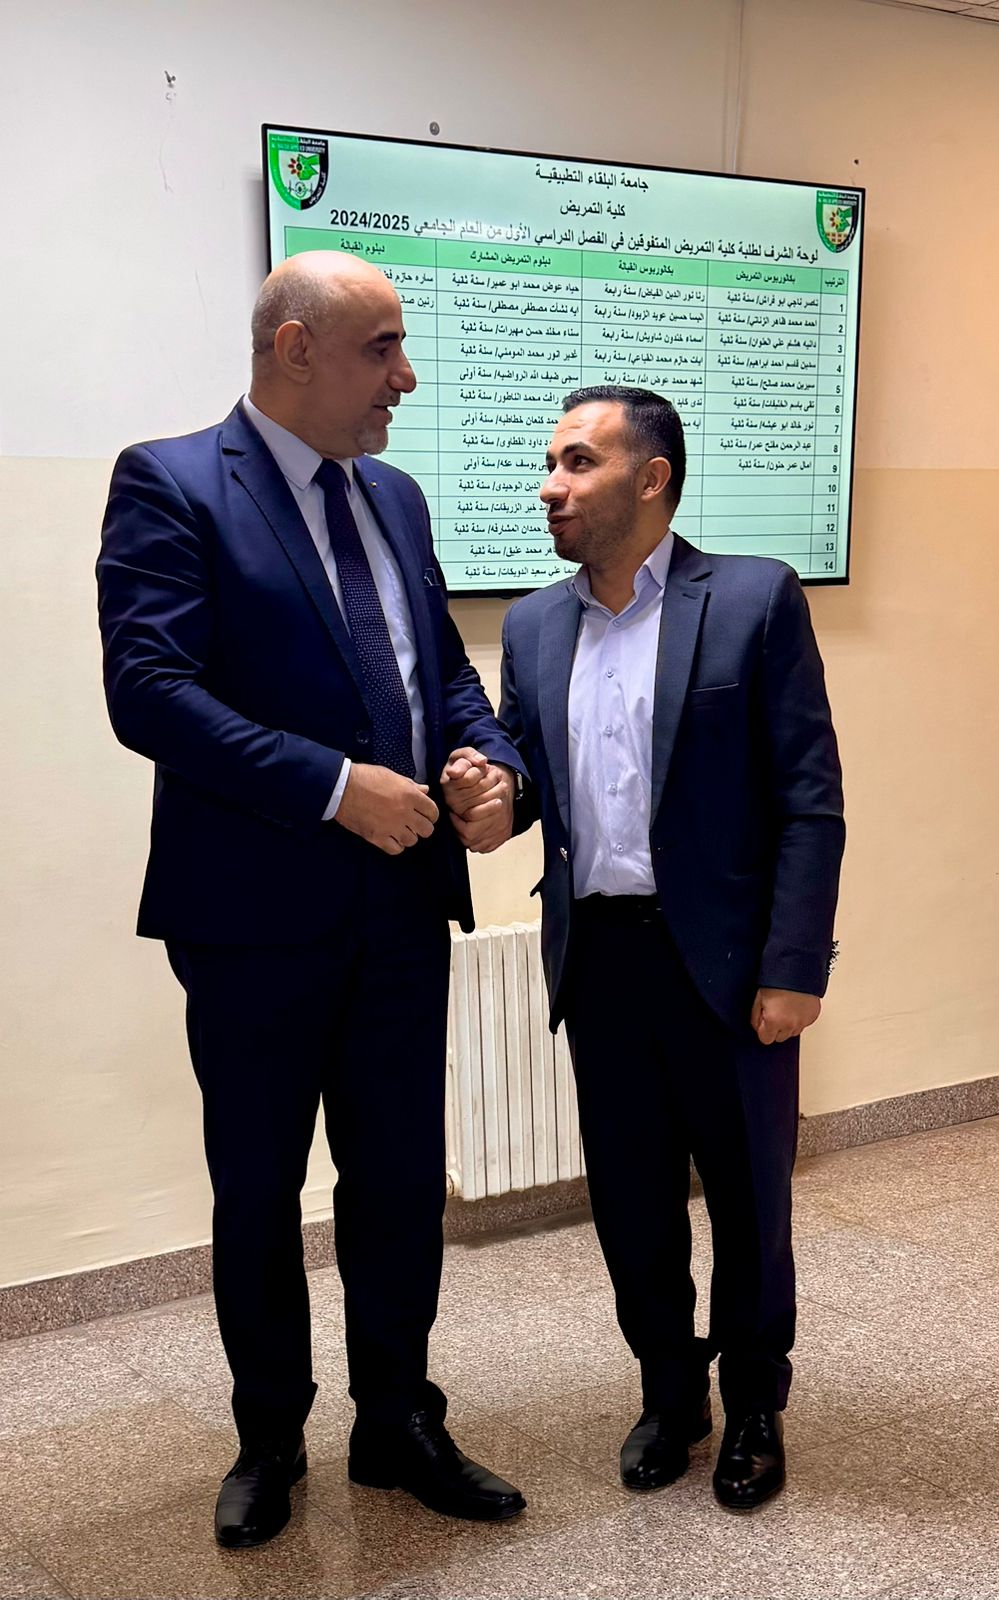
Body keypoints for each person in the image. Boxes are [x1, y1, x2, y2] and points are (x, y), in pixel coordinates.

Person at [96, 251, 526, 1548]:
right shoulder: (173, 483)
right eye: (381, 347)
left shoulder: (395, 496)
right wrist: (334, 787)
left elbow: (439, 671)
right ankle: (269, 1439)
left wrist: (486, 762)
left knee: (398, 1182)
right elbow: (150, 692)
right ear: (294, 349)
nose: (405, 376)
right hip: (251, 920)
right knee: (259, 1190)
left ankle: (397, 1420)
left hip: (402, 908)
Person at [476, 384, 844, 1511]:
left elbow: (809, 798)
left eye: (577, 462)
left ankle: (755, 1403)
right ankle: (670, 1392)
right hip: (600, 963)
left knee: (748, 1203)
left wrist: (793, 966)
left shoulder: (753, 599)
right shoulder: (535, 626)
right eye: (550, 463)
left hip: (728, 968)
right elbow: (529, 775)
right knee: (632, 1203)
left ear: (651, 478)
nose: (551, 486)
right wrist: (492, 796)